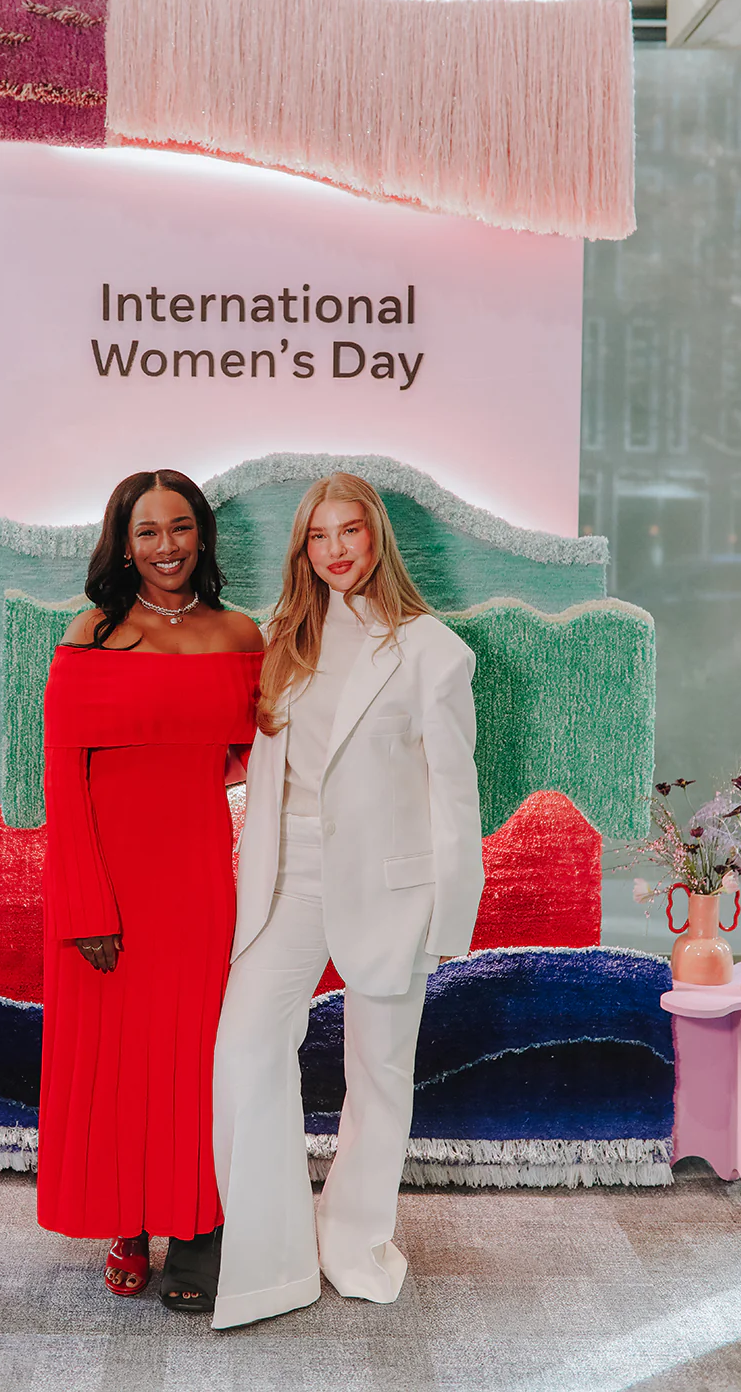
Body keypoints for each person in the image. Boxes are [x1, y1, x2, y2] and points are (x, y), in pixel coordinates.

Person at [211, 471, 484, 1329]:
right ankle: (273, 1244)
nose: (335, 550)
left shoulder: (432, 650)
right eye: (318, 536)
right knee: (246, 1047)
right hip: (288, 880)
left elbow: (454, 795)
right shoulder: (281, 641)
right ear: (303, 548)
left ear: (376, 539)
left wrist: (451, 916)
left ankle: (355, 1237)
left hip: (391, 890)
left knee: (378, 1075)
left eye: (350, 533)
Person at [37, 469, 263, 1313]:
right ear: (122, 544)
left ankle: (196, 1231)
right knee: (117, 1061)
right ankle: (129, 1222)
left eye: (180, 528)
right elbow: (63, 776)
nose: (165, 547)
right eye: (147, 532)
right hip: (107, 879)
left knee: (197, 1058)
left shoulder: (241, 635)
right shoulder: (92, 634)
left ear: (202, 535)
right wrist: (86, 904)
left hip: (200, 877)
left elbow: (259, 752)